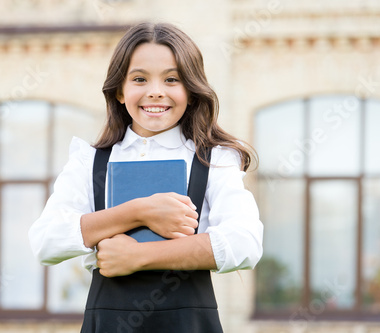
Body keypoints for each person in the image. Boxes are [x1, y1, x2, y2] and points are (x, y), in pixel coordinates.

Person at [29, 22, 263, 332]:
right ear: (119, 91)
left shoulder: (214, 160)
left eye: (171, 79)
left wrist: (138, 256)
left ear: (191, 92)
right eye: (140, 79)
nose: (155, 91)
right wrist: (139, 212)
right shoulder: (90, 162)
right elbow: (46, 241)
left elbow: (244, 243)